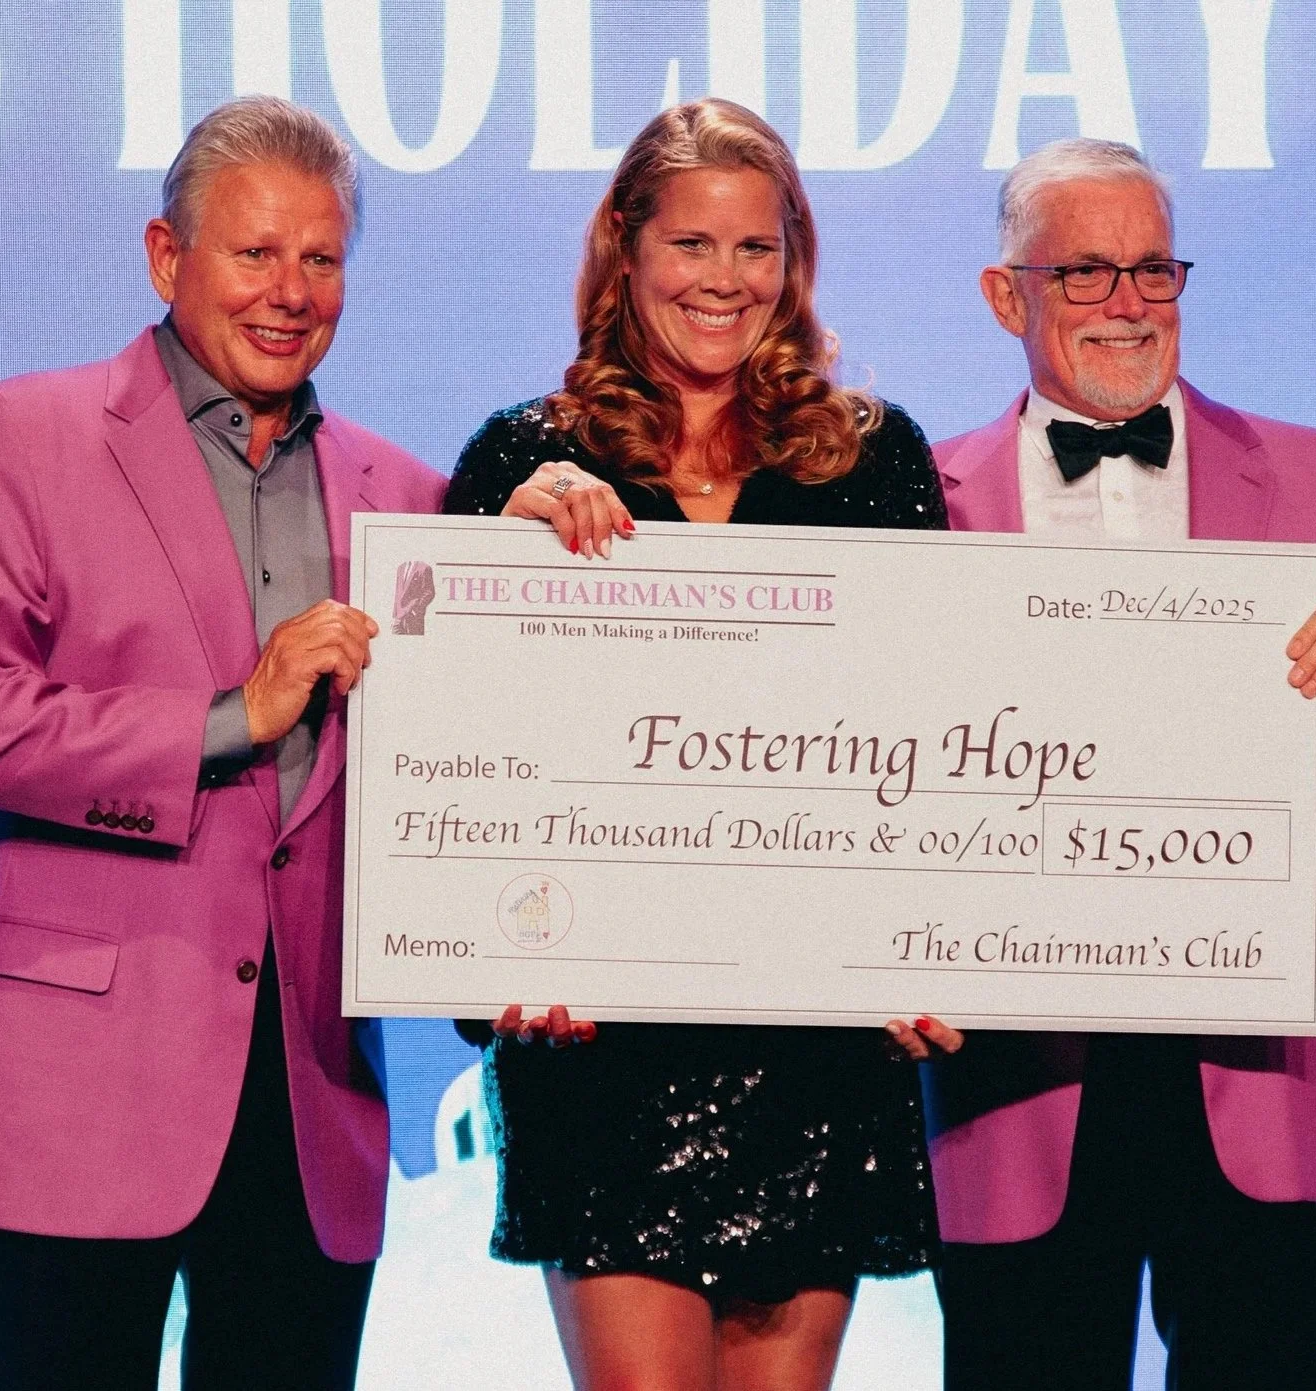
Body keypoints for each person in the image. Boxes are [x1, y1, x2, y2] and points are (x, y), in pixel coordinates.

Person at [894, 138, 1316, 1389]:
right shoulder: (915, 503)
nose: (1127, 303)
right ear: (1005, 296)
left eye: (1153, 270)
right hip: (1018, 1078)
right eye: (1084, 272)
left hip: (1263, 1070)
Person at [0, 95, 444, 1390]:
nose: (289, 291)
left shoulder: (410, 498)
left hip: (309, 1098)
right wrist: (228, 716)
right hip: (77, 1080)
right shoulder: (19, 437)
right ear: (165, 257)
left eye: (320, 258)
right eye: (255, 252)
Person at [443, 98, 944, 1390]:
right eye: (691, 243)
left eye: (755, 247)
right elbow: (458, 744)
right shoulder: (523, 460)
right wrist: (488, 960)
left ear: (792, 260)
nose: (724, 280)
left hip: (815, 1048)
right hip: (605, 1048)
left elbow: (930, 726)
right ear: (625, 247)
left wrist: (934, 944)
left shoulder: (872, 461)